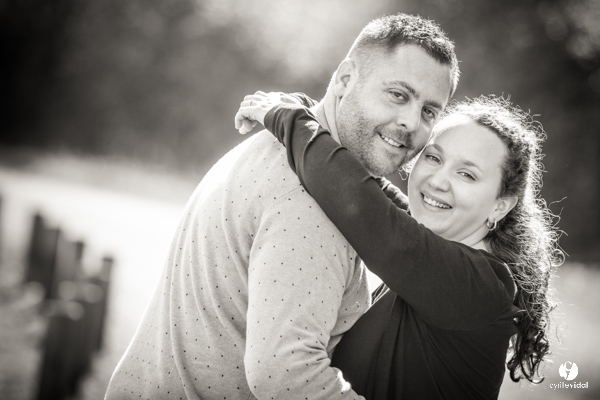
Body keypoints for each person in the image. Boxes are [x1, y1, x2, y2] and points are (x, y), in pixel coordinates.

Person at [105, 14, 460, 400]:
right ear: (345, 79)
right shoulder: (313, 201)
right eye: (398, 95)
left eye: (429, 111)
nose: (411, 122)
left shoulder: (287, 150)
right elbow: (287, 373)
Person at [234, 93, 562, 399]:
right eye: (433, 157)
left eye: (467, 174)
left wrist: (287, 117)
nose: (437, 180)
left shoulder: (478, 286)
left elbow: (360, 204)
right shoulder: (437, 258)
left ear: (500, 206)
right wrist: (311, 110)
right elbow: (371, 190)